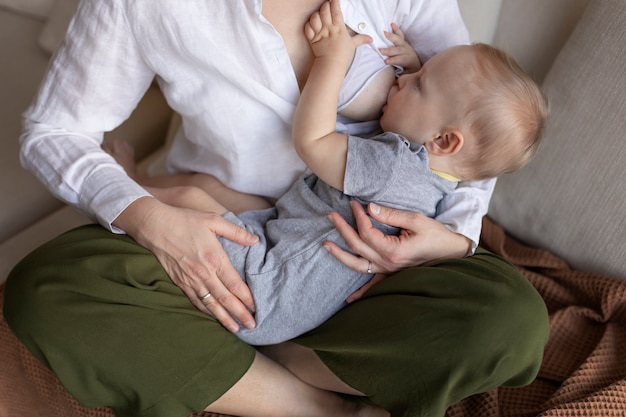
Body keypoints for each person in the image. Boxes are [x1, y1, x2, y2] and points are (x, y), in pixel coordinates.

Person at [3, 1, 550, 416]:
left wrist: (450, 238)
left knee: (509, 320)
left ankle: (270, 356)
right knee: (51, 287)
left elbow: (475, 130)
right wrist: (149, 217)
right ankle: (310, 400)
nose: (407, 80)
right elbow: (53, 130)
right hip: (230, 241)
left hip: (368, 275)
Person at [104, 1, 547, 348]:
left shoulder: (392, 165)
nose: (401, 78)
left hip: (261, 283)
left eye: (417, 82)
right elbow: (455, 110)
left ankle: (126, 182)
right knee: (205, 188)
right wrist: (419, 68)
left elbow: (312, 141)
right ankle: (137, 176)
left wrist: (331, 60)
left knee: (195, 197)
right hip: (290, 265)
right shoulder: (430, 180)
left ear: (445, 142)